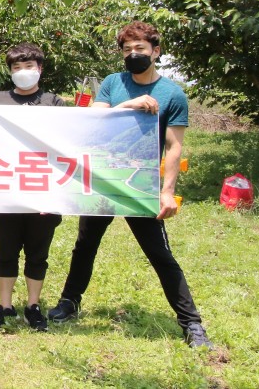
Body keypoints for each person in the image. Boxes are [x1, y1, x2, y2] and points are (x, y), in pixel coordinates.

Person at [46, 21, 212, 348]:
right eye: (127, 50)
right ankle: (69, 302)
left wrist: (166, 192)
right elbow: (94, 123)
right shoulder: (112, 83)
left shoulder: (172, 94)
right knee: (85, 245)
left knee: (160, 254)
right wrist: (131, 105)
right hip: (103, 179)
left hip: (142, 186)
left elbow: (174, 146)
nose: (133, 55)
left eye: (140, 49)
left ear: (156, 51)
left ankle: (191, 323)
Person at [0, 42, 64, 332]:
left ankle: (33, 305)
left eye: (28, 66)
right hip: (5, 188)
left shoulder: (54, 103)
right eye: (16, 68)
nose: (22, 72)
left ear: (40, 69)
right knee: (6, 250)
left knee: (37, 252)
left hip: (43, 189)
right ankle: (5, 306)